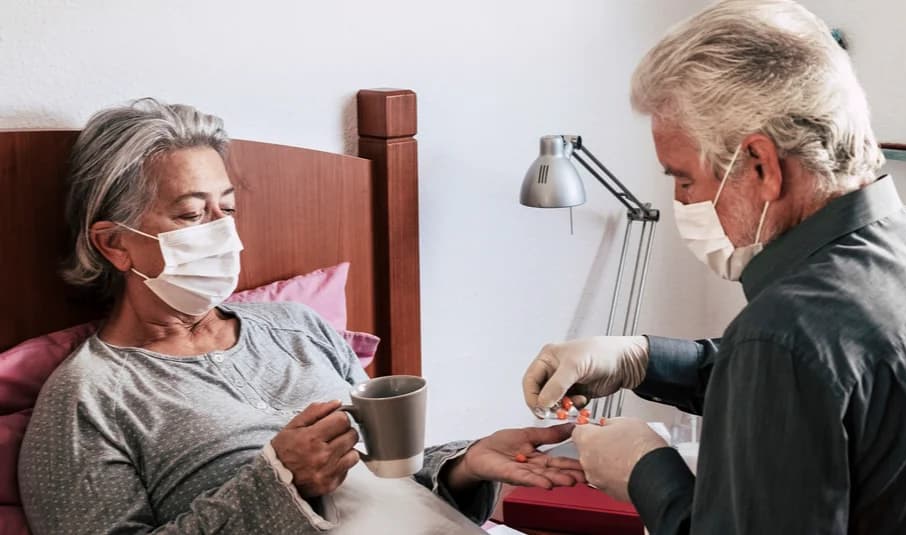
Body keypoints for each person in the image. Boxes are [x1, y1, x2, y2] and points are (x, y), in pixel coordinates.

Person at [520, 0, 906, 533]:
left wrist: (644, 471)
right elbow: (817, 390)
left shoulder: (784, 335)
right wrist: (641, 357)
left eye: (685, 179)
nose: (681, 202)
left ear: (761, 166)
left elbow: (793, 364)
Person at [18, 99, 584, 535]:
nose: (221, 233)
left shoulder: (296, 327)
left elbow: (386, 476)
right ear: (115, 245)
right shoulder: (87, 398)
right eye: (192, 215)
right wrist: (279, 483)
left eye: (228, 209)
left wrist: (465, 466)